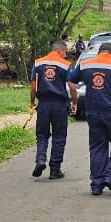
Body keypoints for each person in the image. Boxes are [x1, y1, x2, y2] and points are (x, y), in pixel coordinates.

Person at [67, 41, 111, 195]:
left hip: (93, 114)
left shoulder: (85, 65)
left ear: (98, 52)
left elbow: (72, 79)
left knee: (97, 147)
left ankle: (96, 185)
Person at [30, 38, 74, 180]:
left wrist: (32, 102)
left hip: (43, 104)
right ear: (60, 50)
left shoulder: (38, 63)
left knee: (42, 135)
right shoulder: (66, 65)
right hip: (60, 106)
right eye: (65, 52)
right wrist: (74, 101)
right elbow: (72, 86)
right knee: (59, 136)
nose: (66, 56)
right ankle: (55, 170)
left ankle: (40, 159)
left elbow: (33, 86)